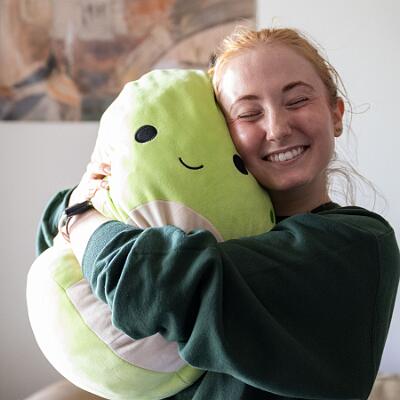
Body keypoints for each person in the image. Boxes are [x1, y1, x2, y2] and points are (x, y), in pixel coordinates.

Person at [37, 26, 400, 399]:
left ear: (336, 114)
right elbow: (52, 232)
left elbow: (156, 286)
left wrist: (80, 216)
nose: (277, 128)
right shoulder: (215, 232)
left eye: (297, 100)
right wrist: (80, 202)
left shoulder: (359, 243)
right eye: (249, 113)